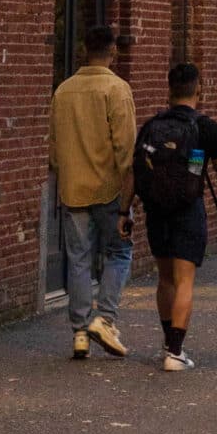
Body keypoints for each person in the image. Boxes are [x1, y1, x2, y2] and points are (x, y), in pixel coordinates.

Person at [133, 59, 217, 368]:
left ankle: (168, 342)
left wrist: (125, 211)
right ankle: (175, 352)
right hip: (188, 210)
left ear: (169, 90)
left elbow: (134, 171)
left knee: (165, 279)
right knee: (185, 280)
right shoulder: (206, 127)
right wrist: (200, 160)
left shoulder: (152, 126)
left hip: (156, 209)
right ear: (198, 90)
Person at [49, 21, 137, 358]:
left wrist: (66, 173)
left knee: (79, 260)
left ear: (84, 50)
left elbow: (54, 147)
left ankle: (80, 332)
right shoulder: (117, 90)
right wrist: (128, 197)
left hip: (73, 188)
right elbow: (125, 149)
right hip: (109, 189)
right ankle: (106, 318)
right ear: (113, 51)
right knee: (119, 253)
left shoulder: (63, 91)